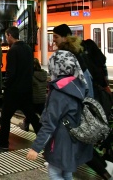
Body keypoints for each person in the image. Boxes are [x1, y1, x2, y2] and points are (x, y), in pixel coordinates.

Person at [53, 24, 112, 180]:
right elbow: (91, 75)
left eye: (56, 37)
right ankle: (102, 170)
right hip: (82, 104)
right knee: (80, 142)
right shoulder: (80, 53)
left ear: (65, 37)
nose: (54, 42)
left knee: (76, 143)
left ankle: (103, 169)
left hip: (74, 107)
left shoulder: (68, 57)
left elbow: (69, 83)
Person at [26, 49, 93, 180]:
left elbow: (49, 123)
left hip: (60, 142)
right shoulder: (78, 84)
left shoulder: (60, 91)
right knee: (66, 173)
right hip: (73, 139)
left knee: (54, 173)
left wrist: (36, 148)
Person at [0, 26, 41, 150]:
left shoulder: (13, 50)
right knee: (33, 117)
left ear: (9, 35)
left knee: (5, 117)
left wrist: (5, 87)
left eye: (6, 36)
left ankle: (2, 143)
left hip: (14, 91)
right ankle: (45, 141)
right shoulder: (28, 48)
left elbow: (11, 73)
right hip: (26, 89)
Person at [19, 58, 48, 132]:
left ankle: (27, 124)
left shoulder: (30, 76)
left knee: (30, 113)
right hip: (42, 99)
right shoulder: (44, 75)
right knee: (41, 114)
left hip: (33, 99)